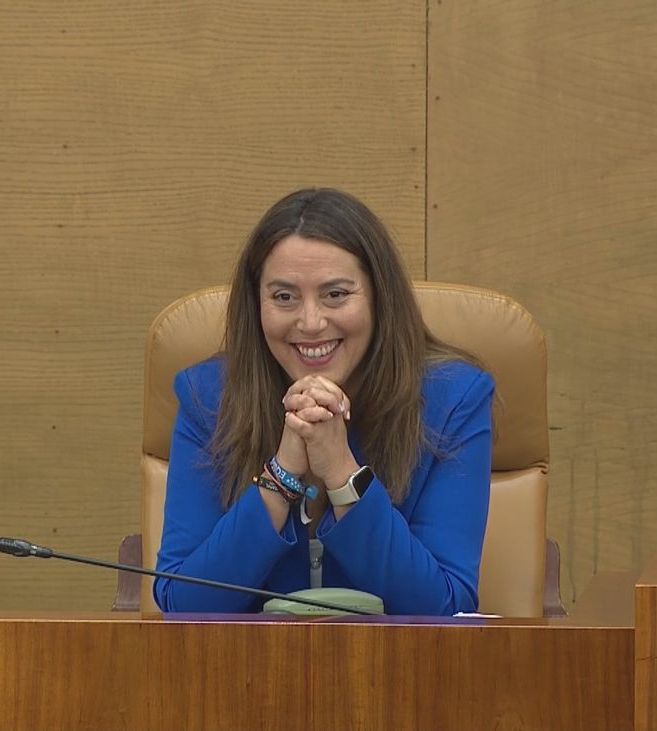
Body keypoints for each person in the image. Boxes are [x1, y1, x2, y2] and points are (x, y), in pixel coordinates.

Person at [153, 188, 494, 615]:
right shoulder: (208, 398)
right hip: (242, 673)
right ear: (256, 305)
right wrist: (281, 475)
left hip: (402, 673)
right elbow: (183, 604)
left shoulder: (454, 400)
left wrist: (340, 470)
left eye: (335, 294)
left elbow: (444, 607)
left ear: (379, 298)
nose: (311, 322)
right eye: (284, 297)